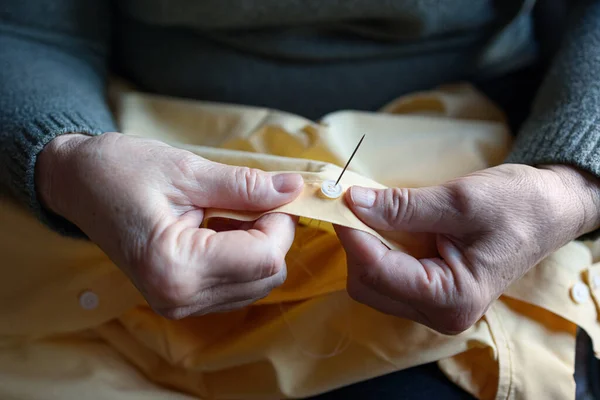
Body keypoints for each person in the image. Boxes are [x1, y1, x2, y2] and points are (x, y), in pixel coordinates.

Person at [1, 0, 599, 398]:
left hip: (477, 172)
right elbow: (24, 26)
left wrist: (573, 182)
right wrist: (64, 162)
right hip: (124, 167)